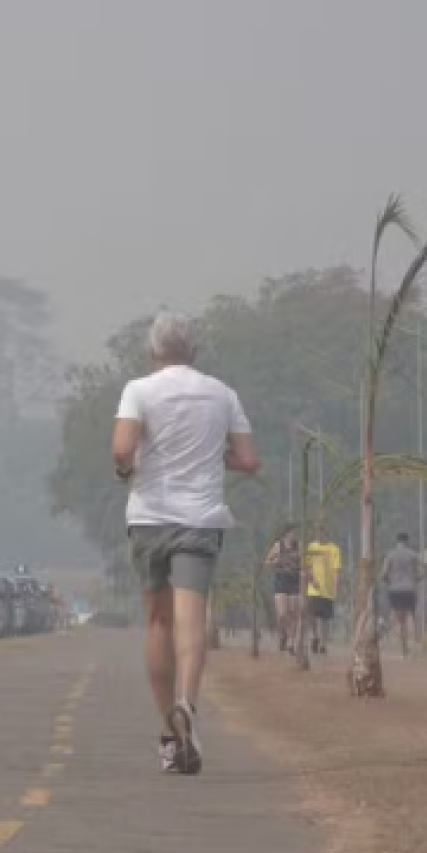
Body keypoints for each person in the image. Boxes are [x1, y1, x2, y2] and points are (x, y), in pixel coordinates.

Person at [112, 310, 259, 776]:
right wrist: (215, 458)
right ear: (194, 351)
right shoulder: (222, 394)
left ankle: (170, 734)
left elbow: (121, 449)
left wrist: (126, 471)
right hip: (200, 520)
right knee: (191, 620)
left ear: (154, 352)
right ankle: (188, 704)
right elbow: (249, 459)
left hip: (150, 518)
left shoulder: (139, 390)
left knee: (157, 622)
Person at [302, 524, 342, 655]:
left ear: (327, 534)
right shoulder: (311, 548)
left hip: (328, 589)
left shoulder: (334, 549)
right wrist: (312, 580)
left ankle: (323, 644)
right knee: (313, 614)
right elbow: (306, 566)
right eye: (318, 533)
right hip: (314, 588)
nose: (320, 535)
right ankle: (314, 636)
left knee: (324, 618)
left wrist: (336, 587)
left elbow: (337, 570)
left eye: (322, 532)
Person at [381, 532, 421, 658]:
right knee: (413, 616)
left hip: (395, 590)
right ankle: (417, 643)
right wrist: (414, 579)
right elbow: (421, 573)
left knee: (401, 621)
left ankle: (404, 650)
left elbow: (383, 574)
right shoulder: (413, 554)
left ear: (397, 541)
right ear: (407, 541)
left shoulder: (390, 554)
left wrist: (390, 582)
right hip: (409, 589)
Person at [264, 526, 302, 653]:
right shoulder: (278, 546)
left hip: (295, 582)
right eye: (290, 532)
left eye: (294, 532)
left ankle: (292, 642)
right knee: (282, 614)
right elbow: (267, 562)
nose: (293, 535)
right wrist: (275, 561)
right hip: (281, 581)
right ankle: (283, 634)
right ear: (285, 534)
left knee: (293, 613)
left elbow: (304, 564)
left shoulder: (299, 546)